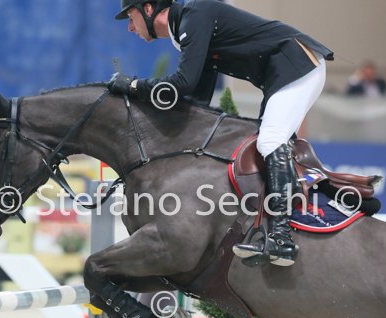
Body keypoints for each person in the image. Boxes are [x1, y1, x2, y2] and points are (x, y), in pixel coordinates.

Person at [108, 0, 333, 267]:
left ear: (148, 8)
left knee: (270, 141)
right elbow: (196, 98)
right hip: (283, 72)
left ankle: (282, 239)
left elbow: (185, 83)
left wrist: (134, 86)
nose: (130, 27)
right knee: (261, 145)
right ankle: (292, 215)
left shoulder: (194, 16)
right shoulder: (185, 29)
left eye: (130, 17)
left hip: (298, 65)